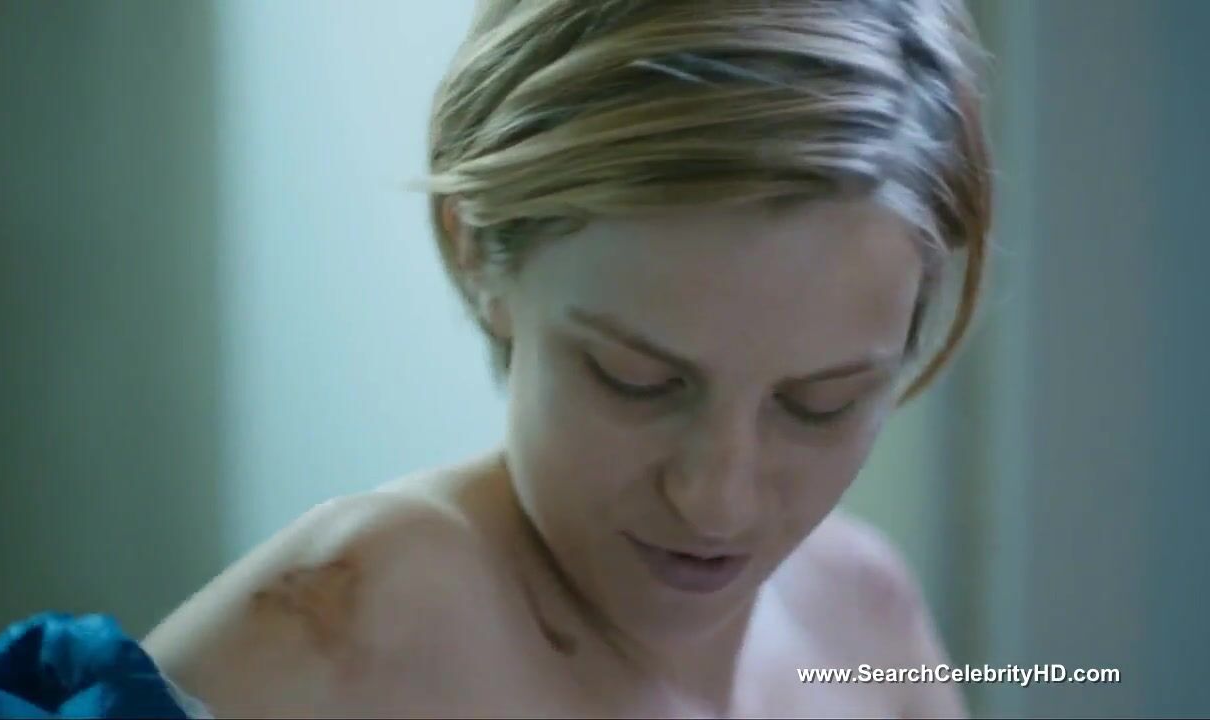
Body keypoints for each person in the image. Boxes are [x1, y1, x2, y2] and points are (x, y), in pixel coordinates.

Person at [143, 0, 991, 716]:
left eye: (821, 405)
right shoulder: (353, 626)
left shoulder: (862, 611)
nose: (716, 503)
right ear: (476, 251)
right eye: (638, 380)